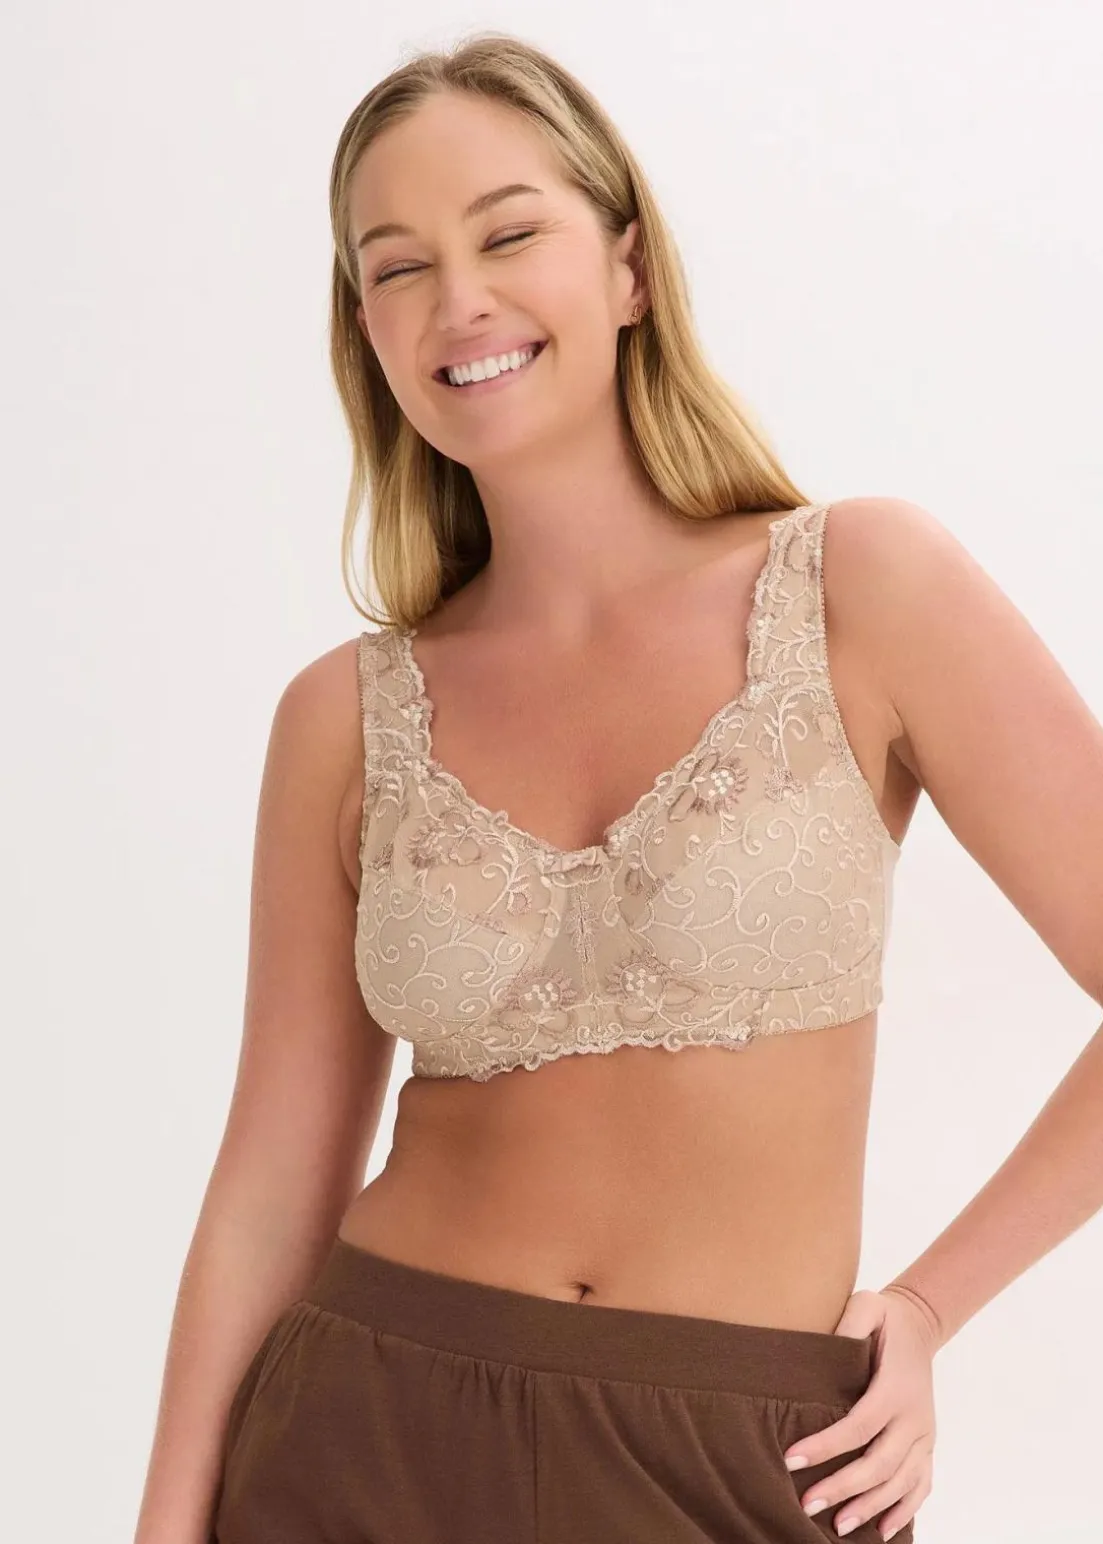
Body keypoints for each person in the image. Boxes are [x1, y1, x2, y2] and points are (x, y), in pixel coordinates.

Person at [134, 32, 1103, 1544]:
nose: (459, 300)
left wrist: (927, 1307)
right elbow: (271, 1176)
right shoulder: (343, 718)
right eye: (398, 267)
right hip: (362, 1435)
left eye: (508, 234)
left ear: (630, 267)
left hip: (748, 1455)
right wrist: (164, 1526)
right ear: (365, 330)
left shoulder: (862, 589)